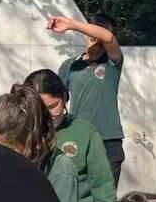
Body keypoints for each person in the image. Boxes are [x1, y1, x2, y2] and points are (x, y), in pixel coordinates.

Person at [22, 69, 118, 202]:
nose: (47, 114)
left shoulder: (84, 131)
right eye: (40, 109)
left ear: (65, 97)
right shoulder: (21, 132)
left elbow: (101, 183)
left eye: (53, 106)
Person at [51, 13, 126, 184]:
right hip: (78, 139)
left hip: (108, 141)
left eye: (97, 33)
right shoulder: (70, 65)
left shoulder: (112, 62)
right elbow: (57, 102)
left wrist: (71, 24)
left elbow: (108, 37)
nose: (94, 38)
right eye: (92, 33)